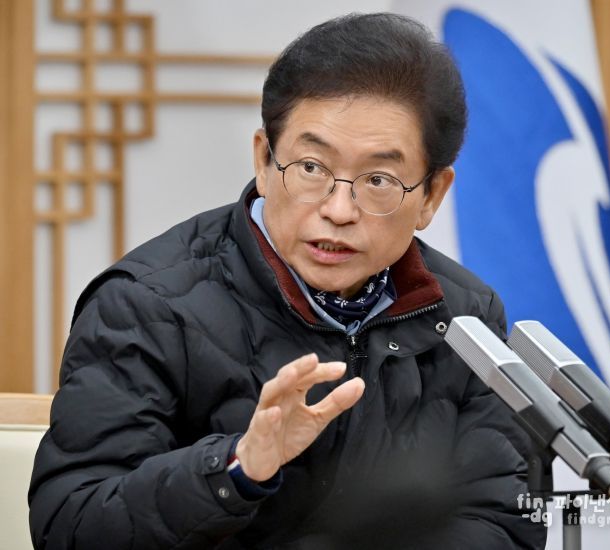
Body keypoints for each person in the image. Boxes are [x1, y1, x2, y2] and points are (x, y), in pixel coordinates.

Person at [29, 13, 547, 550]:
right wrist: (235, 469)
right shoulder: (146, 306)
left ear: (432, 196)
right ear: (264, 159)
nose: (339, 210)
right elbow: (72, 524)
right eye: (311, 168)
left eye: (378, 179)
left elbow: (502, 518)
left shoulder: (464, 317)